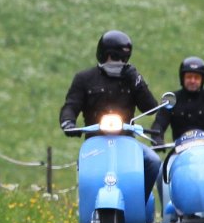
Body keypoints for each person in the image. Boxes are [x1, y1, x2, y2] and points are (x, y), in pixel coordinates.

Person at [59, 29, 161, 201]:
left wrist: (137, 81)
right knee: (84, 171)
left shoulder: (132, 79)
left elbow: (150, 107)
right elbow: (71, 105)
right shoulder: (84, 78)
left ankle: (138, 202)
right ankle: (88, 209)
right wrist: (68, 122)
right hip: (95, 142)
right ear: (102, 54)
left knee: (153, 161)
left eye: (122, 58)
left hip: (126, 141)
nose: (117, 62)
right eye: (113, 57)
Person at [150, 56, 204, 148]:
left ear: (202, 80)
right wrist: (157, 139)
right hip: (179, 152)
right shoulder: (171, 99)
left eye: (197, 78)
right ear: (182, 78)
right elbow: (159, 123)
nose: (192, 81)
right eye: (189, 77)